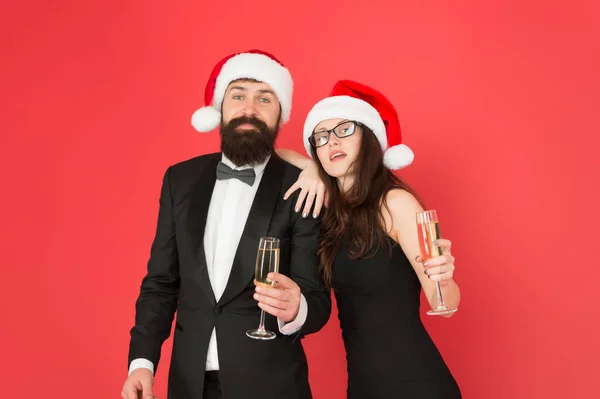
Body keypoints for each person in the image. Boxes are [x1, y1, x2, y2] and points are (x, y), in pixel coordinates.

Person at [121, 49, 331, 399]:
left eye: (265, 98)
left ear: (281, 116)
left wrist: (299, 308)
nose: (249, 108)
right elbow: (160, 282)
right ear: (220, 108)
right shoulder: (179, 179)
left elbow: (318, 298)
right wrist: (142, 361)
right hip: (189, 385)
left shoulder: (302, 186)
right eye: (238, 96)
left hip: (272, 387)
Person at [275, 79, 462, 398]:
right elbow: (275, 154)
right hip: (363, 386)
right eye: (321, 137)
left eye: (344, 129)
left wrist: (443, 278)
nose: (332, 141)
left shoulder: (395, 203)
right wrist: (311, 168)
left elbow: (445, 305)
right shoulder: (328, 212)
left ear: (369, 137)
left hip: (416, 384)